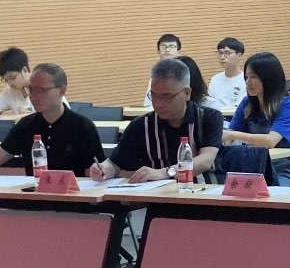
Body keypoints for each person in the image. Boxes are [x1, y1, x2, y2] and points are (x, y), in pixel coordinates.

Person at [91, 58, 223, 183]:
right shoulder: (141, 125)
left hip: (202, 192)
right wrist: (103, 169)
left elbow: (206, 160)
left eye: (166, 96)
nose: (158, 104)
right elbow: (114, 164)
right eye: (153, 95)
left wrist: (164, 173)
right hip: (159, 196)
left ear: (187, 93)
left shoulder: (209, 117)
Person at [0, 63, 104, 176]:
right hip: (34, 187)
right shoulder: (25, 125)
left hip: (73, 187)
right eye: (31, 89)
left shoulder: (82, 127)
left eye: (40, 90)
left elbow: (97, 173)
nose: (33, 96)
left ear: (62, 91)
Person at [224, 52, 290, 187]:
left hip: (286, 170)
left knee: (267, 193)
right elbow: (229, 136)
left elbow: (270, 141)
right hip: (254, 168)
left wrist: (233, 135)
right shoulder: (246, 104)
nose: (248, 82)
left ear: (269, 78)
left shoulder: (288, 106)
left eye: (253, 77)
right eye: (246, 77)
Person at [143, 34, 182, 106]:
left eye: (171, 46)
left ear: (178, 51)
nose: (167, 50)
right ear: (158, 51)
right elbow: (149, 102)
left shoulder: (185, 71)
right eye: (163, 46)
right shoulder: (156, 72)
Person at [208, 37, 246, 107]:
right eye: (220, 53)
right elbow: (210, 103)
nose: (222, 57)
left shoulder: (246, 79)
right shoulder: (215, 79)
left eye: (227, 53)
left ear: (239, 56)